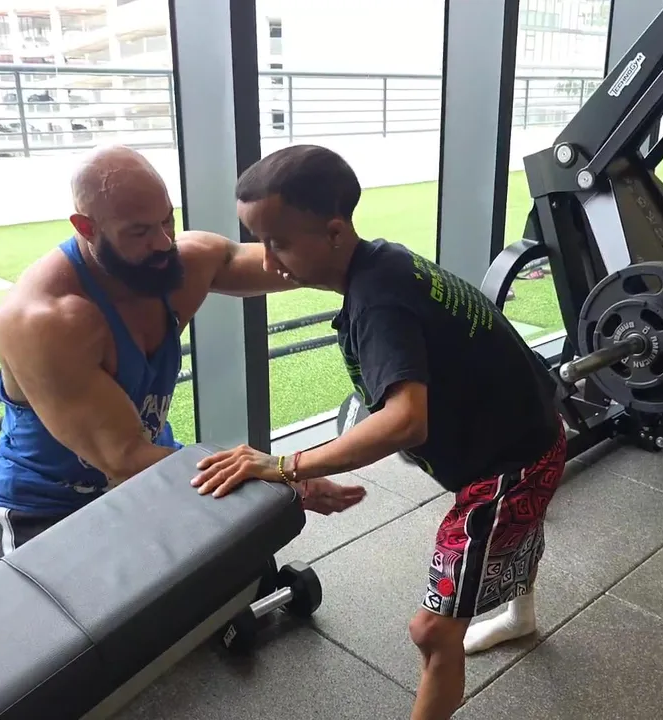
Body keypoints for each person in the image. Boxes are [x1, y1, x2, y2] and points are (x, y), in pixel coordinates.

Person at [192, 144, 566, 720]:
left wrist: (286, 466)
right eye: (259, 241)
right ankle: (521, 617)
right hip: (531, 430)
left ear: (334, 232)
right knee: (511, 533)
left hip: (510, 469)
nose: (267, 261)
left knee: (432, 632)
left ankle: (506, 621)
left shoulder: (376, 303)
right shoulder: (383, 260)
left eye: (279, 243)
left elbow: (405, 420)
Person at [0, 144, 367, 565]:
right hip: (49, 503)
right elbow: (124, 458)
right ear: (86, 227)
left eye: (167, 219)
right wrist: (284, 477)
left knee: (234, 566)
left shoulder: (176, 264)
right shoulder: (46, 320)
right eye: (139, 232)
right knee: (102, 609)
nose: (164, 242)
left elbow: (298, 263)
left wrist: (379, 268)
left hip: (151, 469)